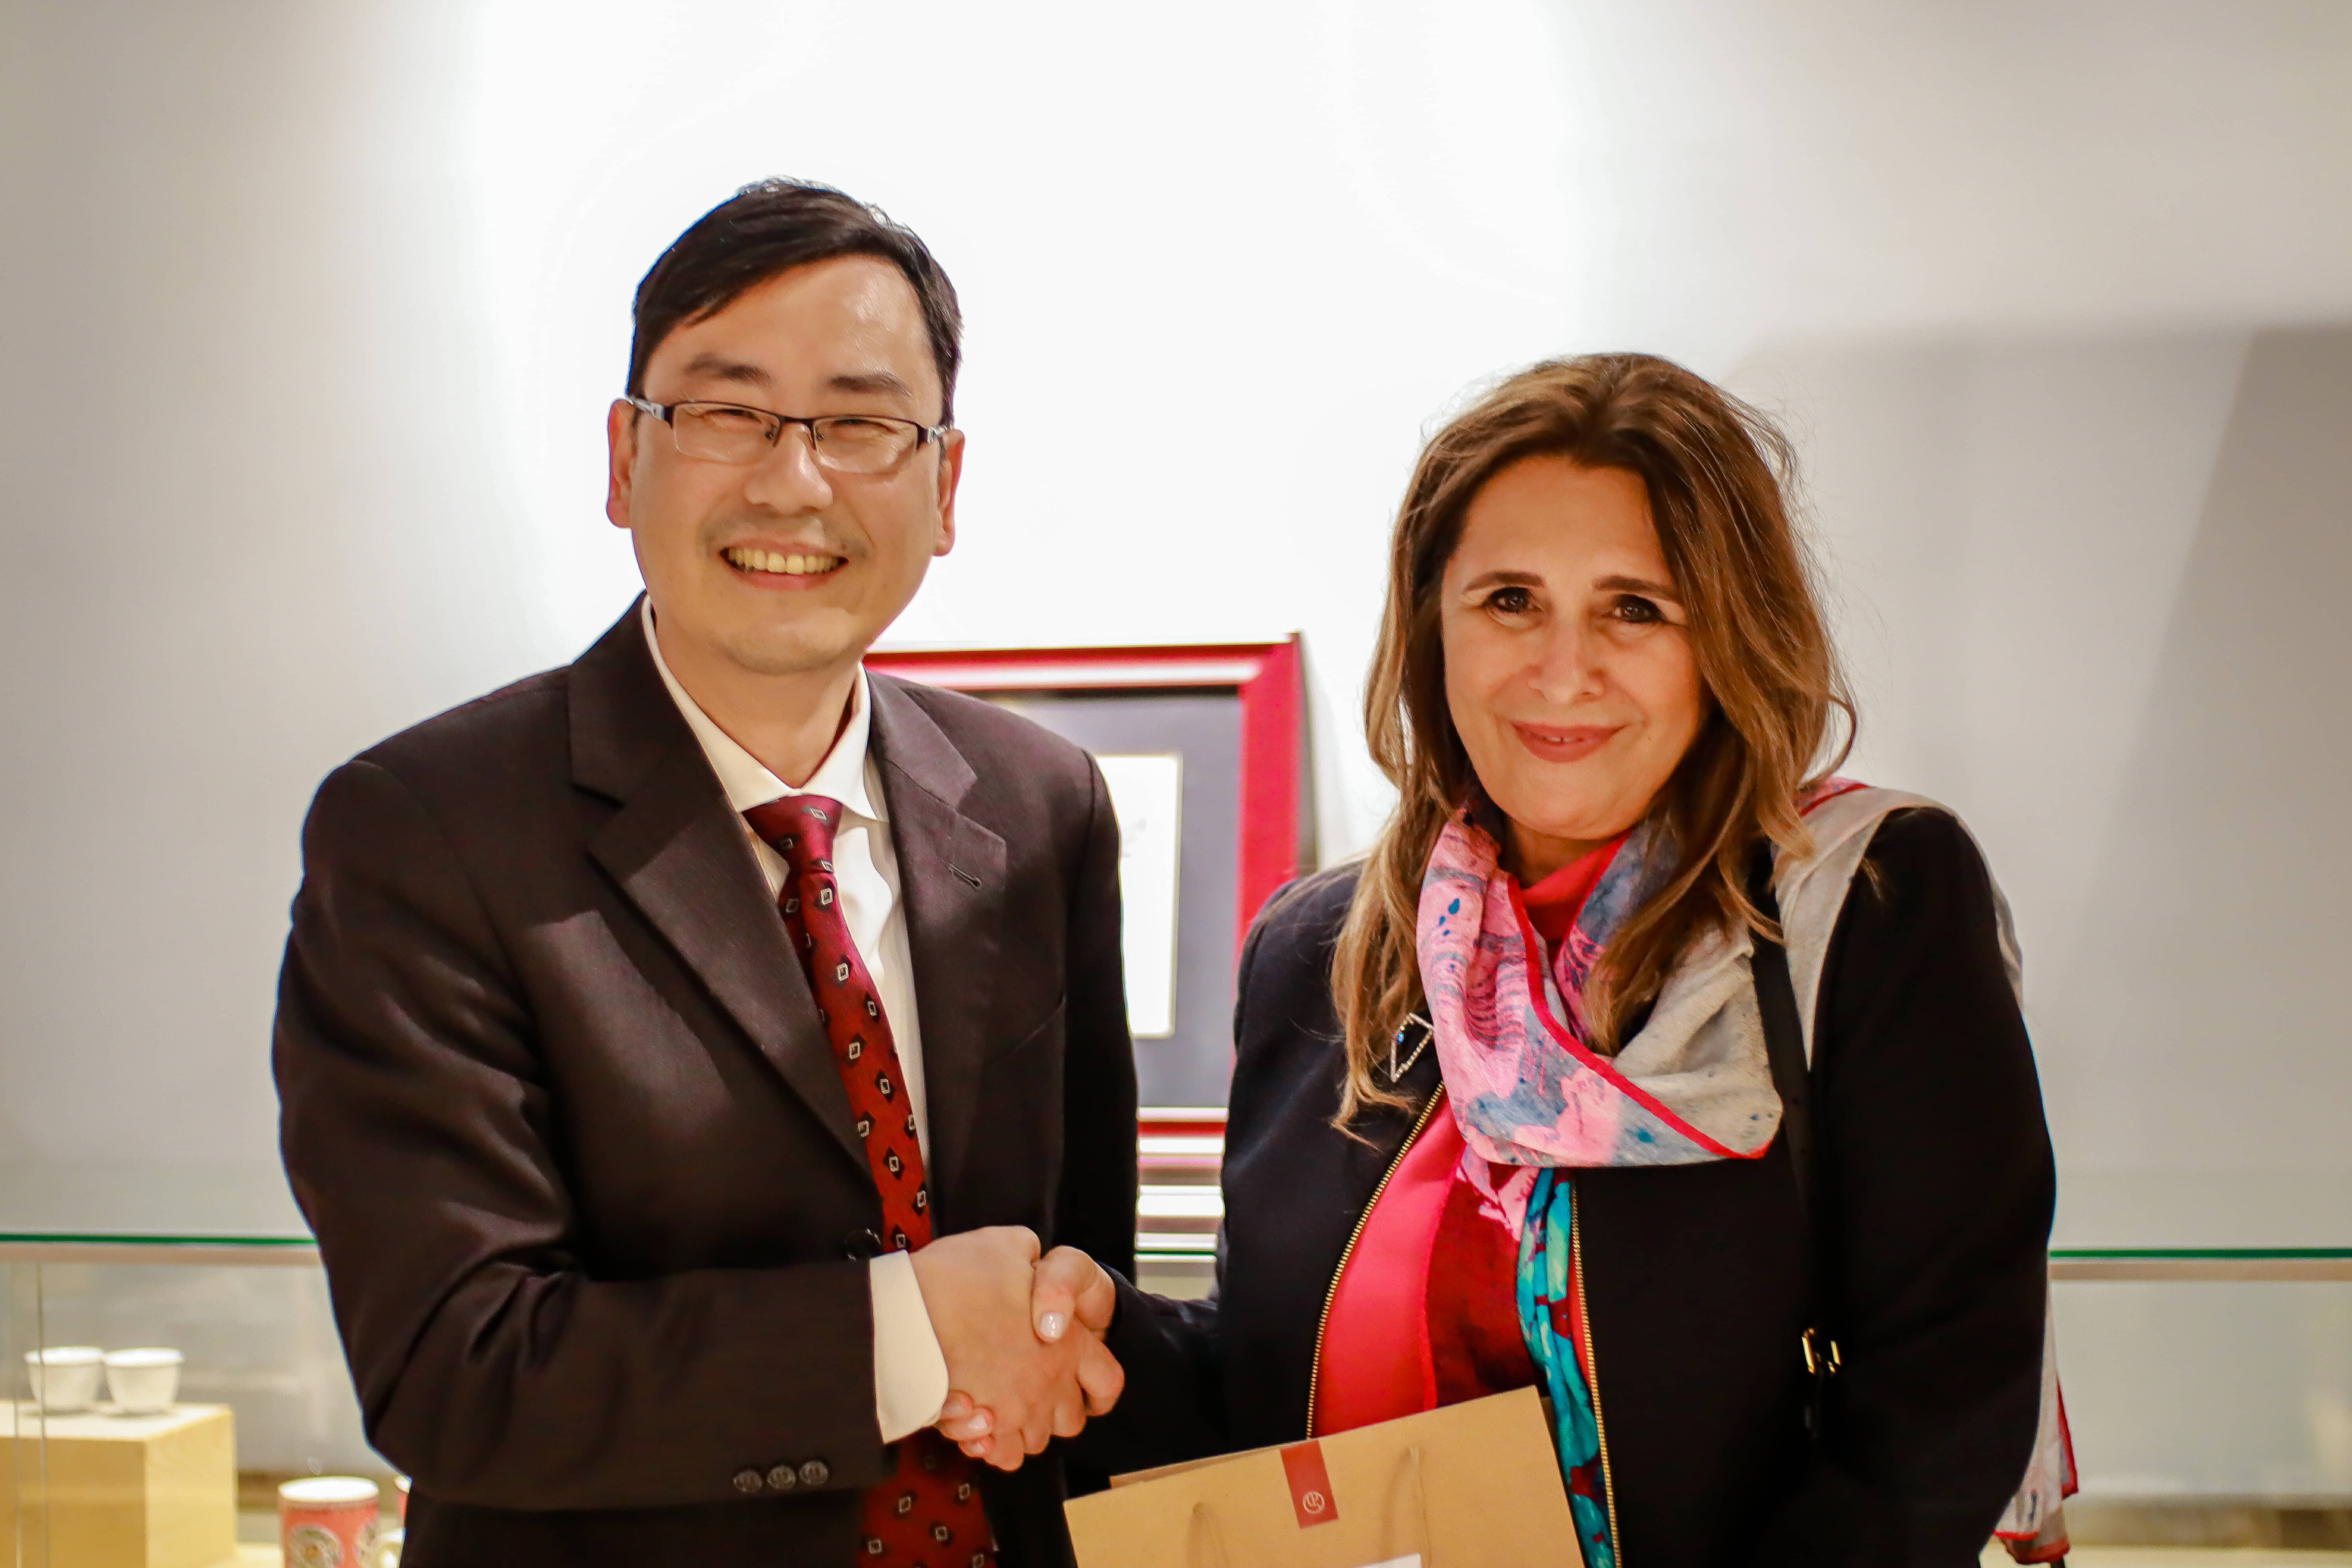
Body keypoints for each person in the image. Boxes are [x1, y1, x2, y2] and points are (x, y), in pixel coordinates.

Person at [949, 354, 2067, 1565]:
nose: (1563, 670)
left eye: (1636, 608)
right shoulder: (1318, 949)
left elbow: (1942, 1406)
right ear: (1433, 623)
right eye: (1511, 600)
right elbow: (1269, 1388)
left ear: (1729, 637)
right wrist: (1105, 1341)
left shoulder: (1862, 906)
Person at [274, 179, 1134, 1568]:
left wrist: (1069, 1314)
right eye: (729, 414)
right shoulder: (425, 831)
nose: (794, 483)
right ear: (626, 459)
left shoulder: (1042, 808)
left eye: (860, 424)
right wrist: (909, 1333)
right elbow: (458, 1369)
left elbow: (1084, 1261)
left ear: (946, 486)